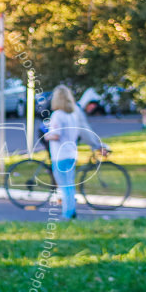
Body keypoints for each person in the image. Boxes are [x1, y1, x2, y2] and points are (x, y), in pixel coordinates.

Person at [43, 84, 108, 220]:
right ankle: (71, 211)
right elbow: (82, 131)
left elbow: (56, 135)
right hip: (72, 154)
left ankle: (67, 214)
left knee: (64, 186)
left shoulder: (57, 115)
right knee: (70, 185)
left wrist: (47, 135)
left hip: (59, 155)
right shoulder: (73, 114)